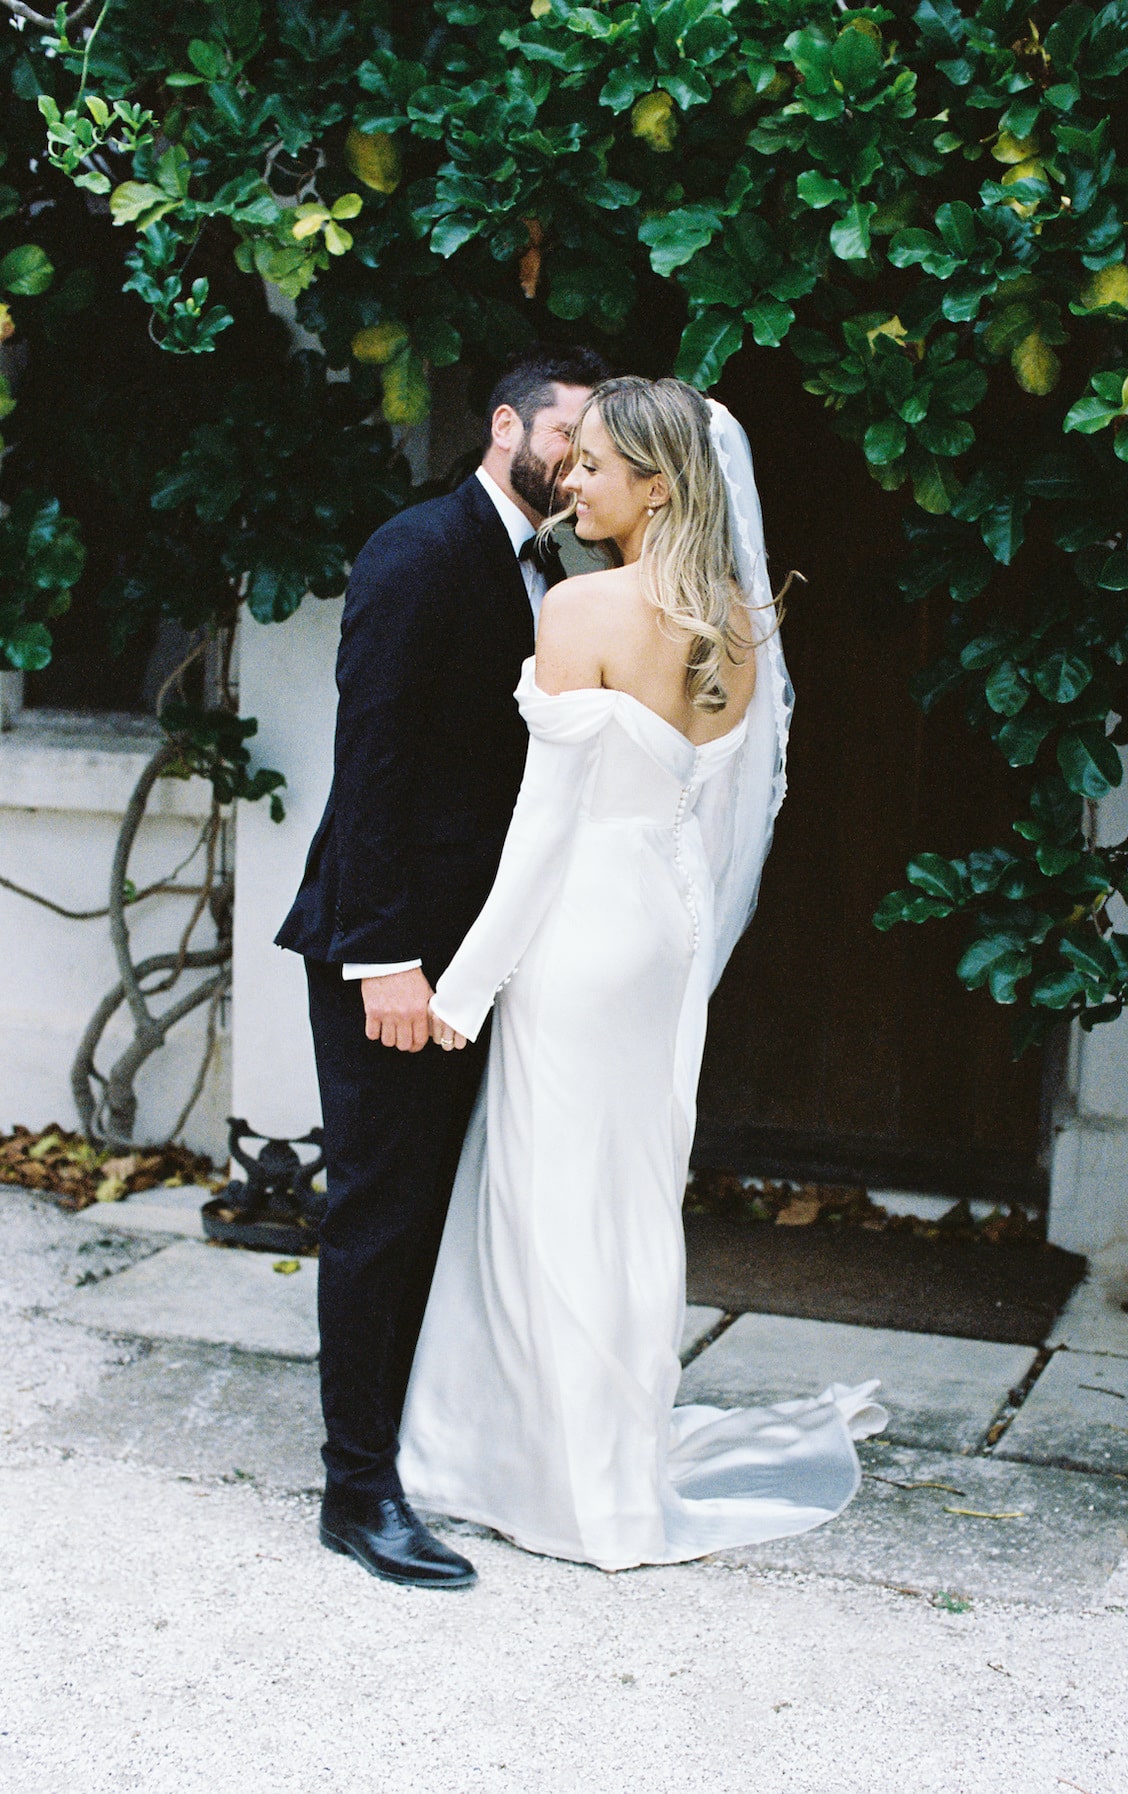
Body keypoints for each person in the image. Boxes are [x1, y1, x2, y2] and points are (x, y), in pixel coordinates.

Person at [400, 376, 886, 1572]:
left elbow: (543, 830)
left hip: (578, 931)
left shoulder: (580, 610)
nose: (574, 479)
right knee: (624, 1191)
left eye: (598, 465)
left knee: (542, 1194)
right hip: (661, 937)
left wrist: (464, 984)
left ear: (659, 486)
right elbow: (714, 817)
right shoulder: (737, 618)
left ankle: (541, 1476)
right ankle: (610, 1462)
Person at [276, 345, 611, 1589]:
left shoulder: (549, 571)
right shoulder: (419, 550)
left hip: (478, 956)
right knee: (382, 1210)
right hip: (397, 953)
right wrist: (385, 962)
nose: (582, 462)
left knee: (436, 1212)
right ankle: (356, 1494)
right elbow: (369, 764)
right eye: (571, 434)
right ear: (508, 422)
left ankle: (413, 1446)